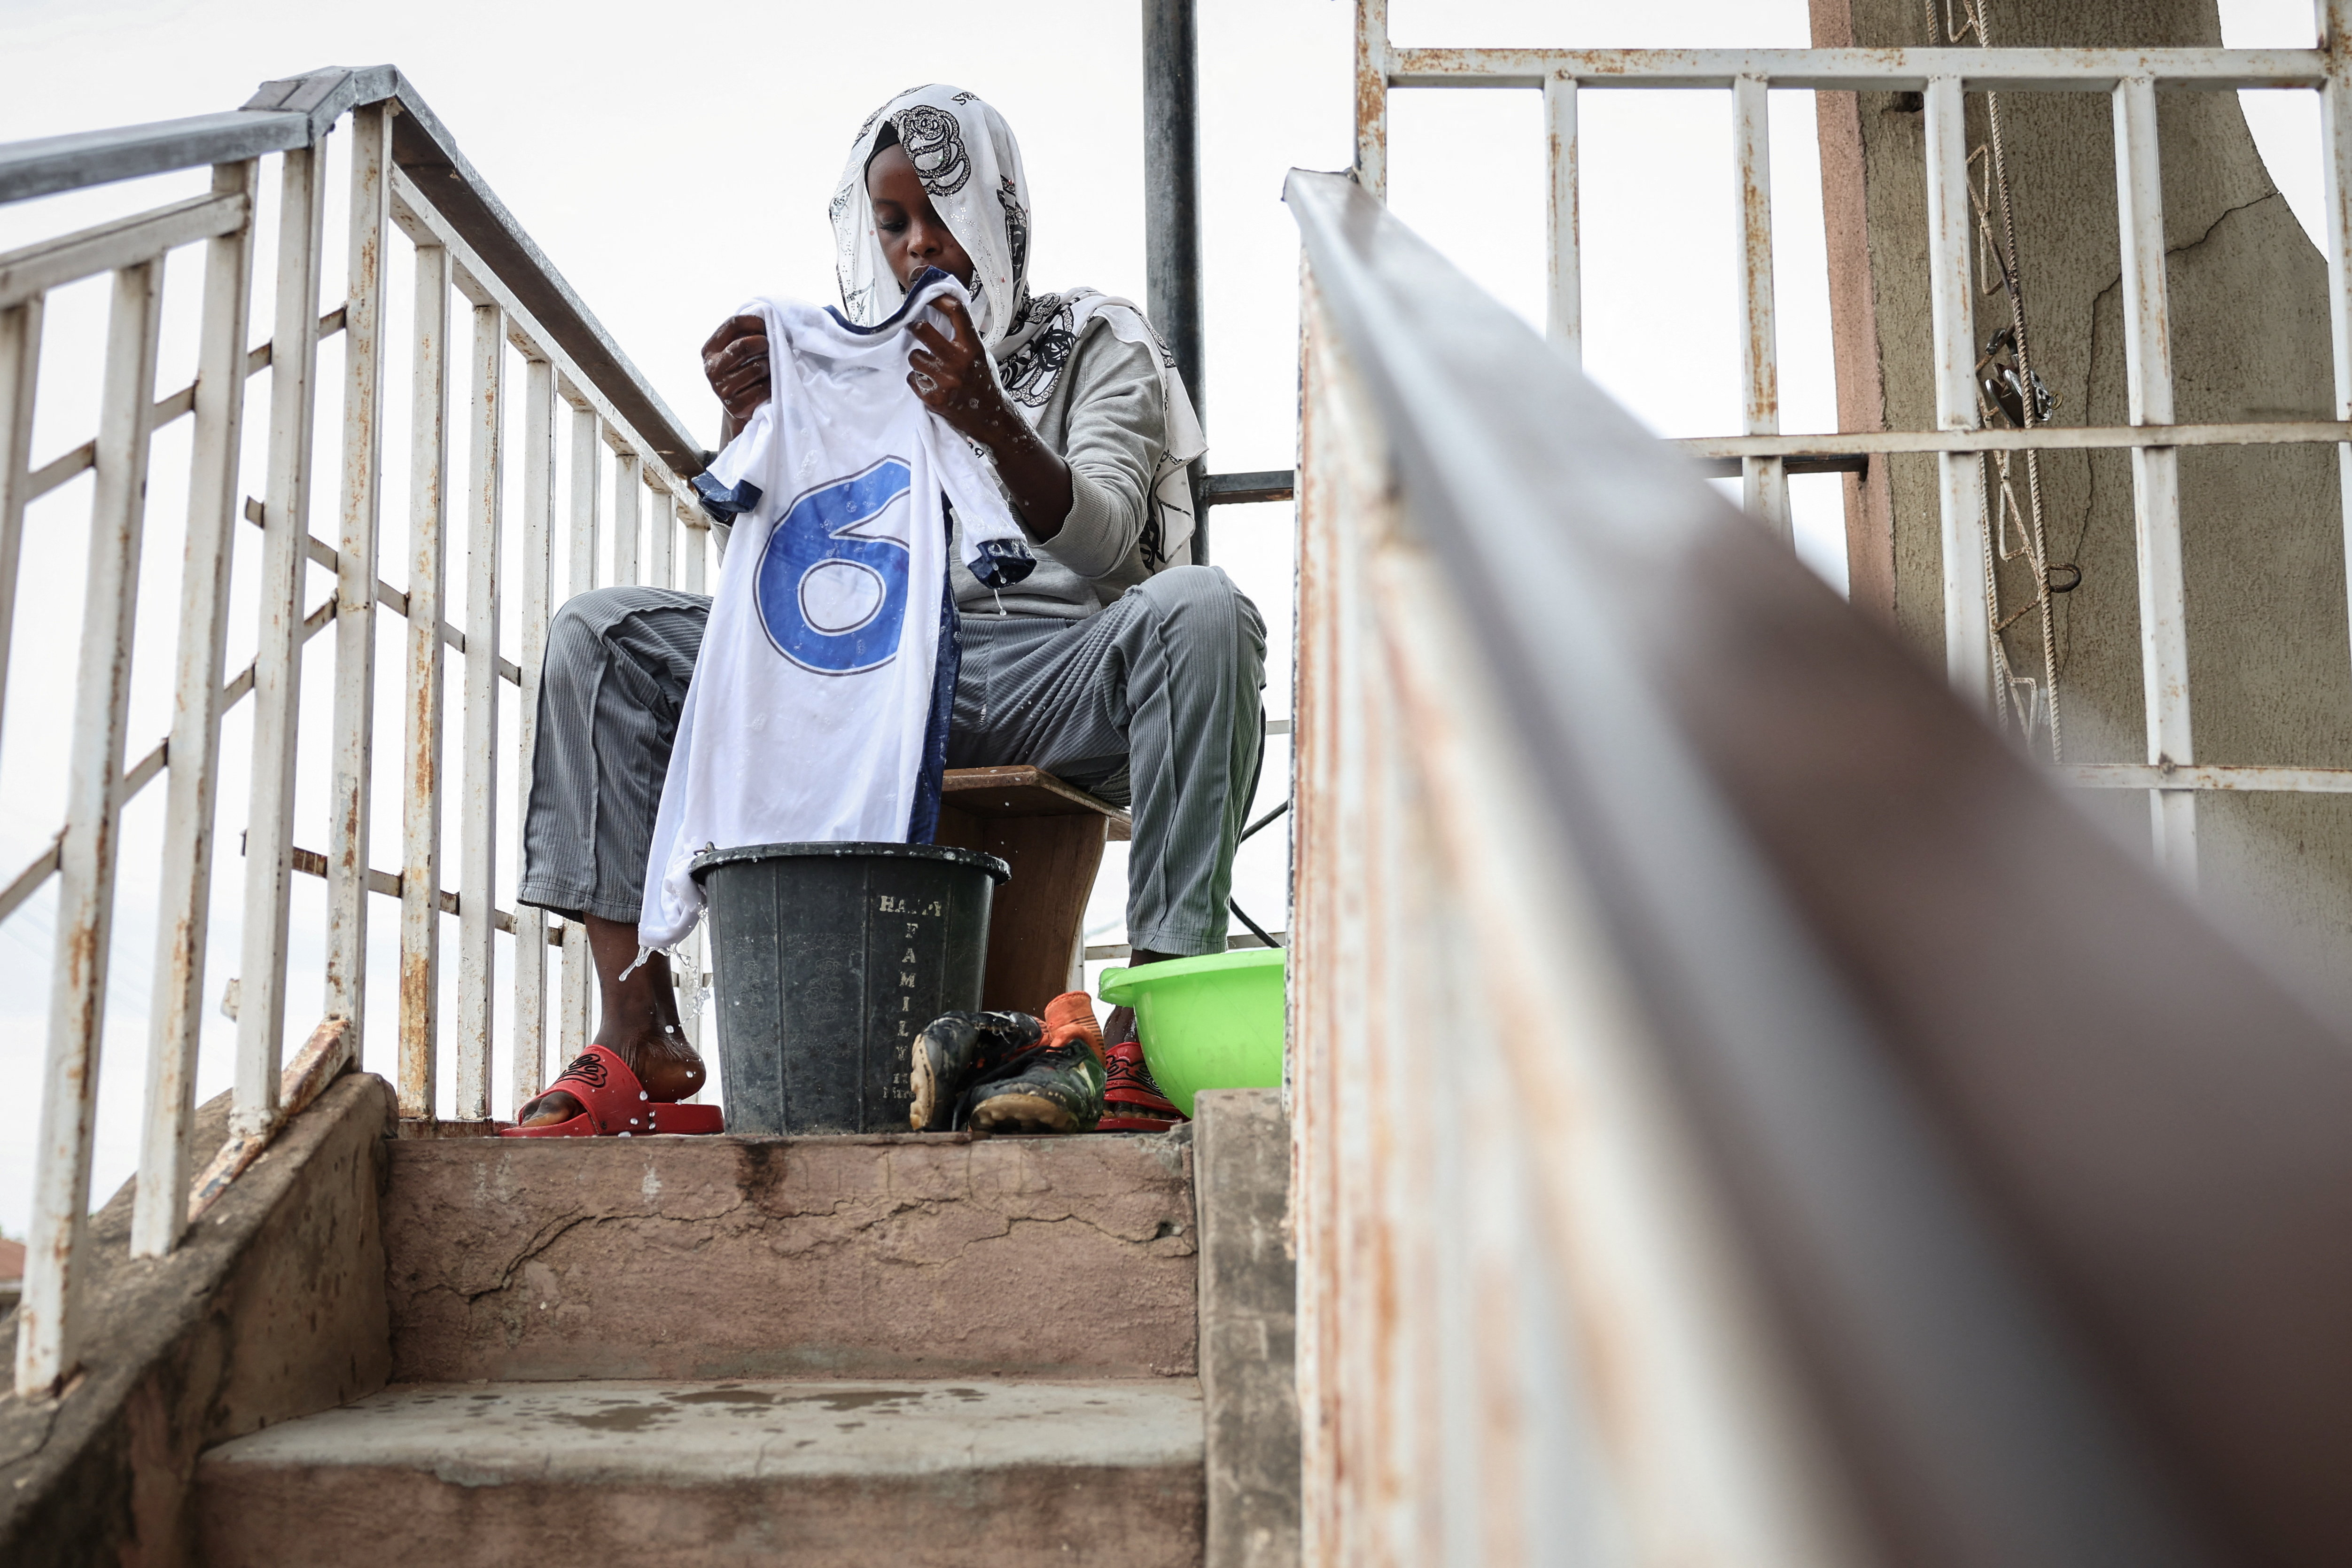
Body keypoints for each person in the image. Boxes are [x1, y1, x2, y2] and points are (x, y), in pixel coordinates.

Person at [509, 85, 1264, 1134]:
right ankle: (633, 1026)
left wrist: (991, 420)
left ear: (1001, 208)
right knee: (602, 638)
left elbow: (1102, 541)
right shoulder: (845, 352)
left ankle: (1141, 1035)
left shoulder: (1096, 337)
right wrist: (744, 427)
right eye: (894, 224)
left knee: (1204, 608)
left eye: (942, 213)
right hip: (869, 678)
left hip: (1048, 672)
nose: (920, 247)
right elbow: (781, 582)